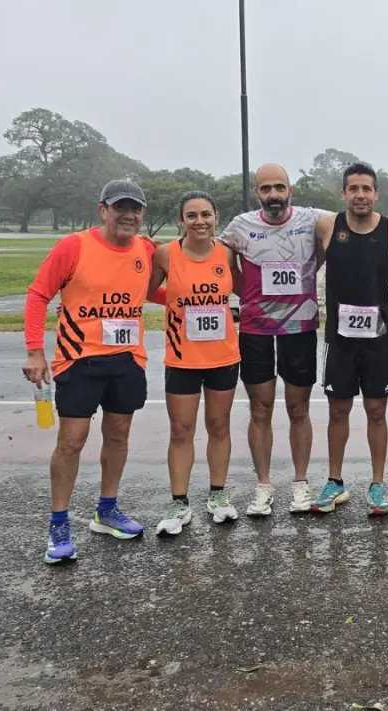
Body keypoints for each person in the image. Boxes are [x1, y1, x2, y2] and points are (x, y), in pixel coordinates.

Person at [21, 180, 163, 564]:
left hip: (127, 359)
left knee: (118, 435)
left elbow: (154, 292)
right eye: (120, 207)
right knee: (72, 440)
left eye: (135, 209)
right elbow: (38, 295)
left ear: (142, 215)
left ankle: (107, 509)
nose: (128, 215)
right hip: (77, 359)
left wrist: (205, 297)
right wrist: (35, 351)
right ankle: (59, 523)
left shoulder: (146, 250)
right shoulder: (74, 246)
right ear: (103, 210)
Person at [217, 164, 332, 517]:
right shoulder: (240, 226)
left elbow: (358, 219)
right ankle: (263, 485)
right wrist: (249, 293)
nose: (273, 195)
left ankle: (300, 483)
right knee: (260, 409)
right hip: (256, 330)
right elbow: (223, 268)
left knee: (299, 409)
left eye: (279, 187)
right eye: (266, 188)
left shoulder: (313, 219)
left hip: (299, 329)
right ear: (257, 192)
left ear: (290, 190)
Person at [314, 163, 388, 516]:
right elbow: (302, 265)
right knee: (338, 410)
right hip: (339, 340)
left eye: (366, 189)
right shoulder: (328, 227)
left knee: (376, 411)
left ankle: (376, 484)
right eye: (353, 188)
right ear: (343, 194)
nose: (360, 195)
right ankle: (335, 481)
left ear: (376, 194)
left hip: (377, 340)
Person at [150, 191, 241, 535]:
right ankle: (179, 502)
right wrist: (177, 302)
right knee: (182, 430)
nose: (199, 221)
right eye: (191, 216)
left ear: (217, 217)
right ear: (181, 221)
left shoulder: (228, 253)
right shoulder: (165, 254)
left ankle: (218, 495)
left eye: (206, 214)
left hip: (223, 356)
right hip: (182, 358)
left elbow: (246, 291)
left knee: (219, 426)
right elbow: (145, 291)